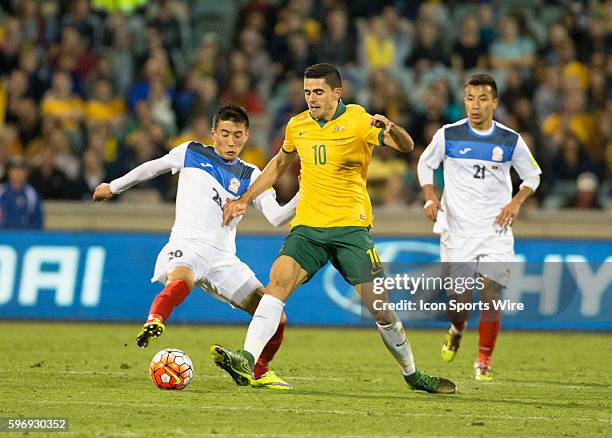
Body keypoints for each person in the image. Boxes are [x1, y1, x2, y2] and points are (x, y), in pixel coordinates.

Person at [213, 63, 456, 394]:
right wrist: (245, 198)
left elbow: (406, 146)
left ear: (336, 93)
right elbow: (280, 165)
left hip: (350, 230)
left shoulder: (358, 120)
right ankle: (246, 358)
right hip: (308, 227)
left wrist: (392, 127)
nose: (311, 98)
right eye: (307, 92)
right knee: (278, 282)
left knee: (381, 310)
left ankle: (412, 373)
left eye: (318, 92)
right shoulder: (298, 125)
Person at [93, 105, 298, 390]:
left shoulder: (252, 175)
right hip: (187, 245)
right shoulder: (191, 152)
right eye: (225, 133)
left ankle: (258, 371)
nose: (231, 141)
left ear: (247, 136)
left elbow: (277, 217)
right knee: (183, 278)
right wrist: (114, 187)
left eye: (237, 135)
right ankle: (155, 320)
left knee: (276, 315)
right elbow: (153, 167)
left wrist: (305, 194)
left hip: (224, 260)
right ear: (213, 133)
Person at [417, 74, 541, 381]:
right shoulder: (449, 134)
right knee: (459, 304)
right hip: (457, 230)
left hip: (495, 230)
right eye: (470, 98)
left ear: (494, 103)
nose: (475, 105)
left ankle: (483, 360)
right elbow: (424, 163)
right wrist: (430, 196)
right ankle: (457, 328)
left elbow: (533, 176)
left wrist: (516, 202)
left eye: (482, 99)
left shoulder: (510, 140)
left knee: (490, 292)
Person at [0, 156, 43, 229]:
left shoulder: (32, 193)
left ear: (26, 173)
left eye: (21, 170)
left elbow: (37, 220)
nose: (17, 173)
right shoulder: (1, 190)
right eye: (14, 170)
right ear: (8, 172)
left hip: (25, 236)